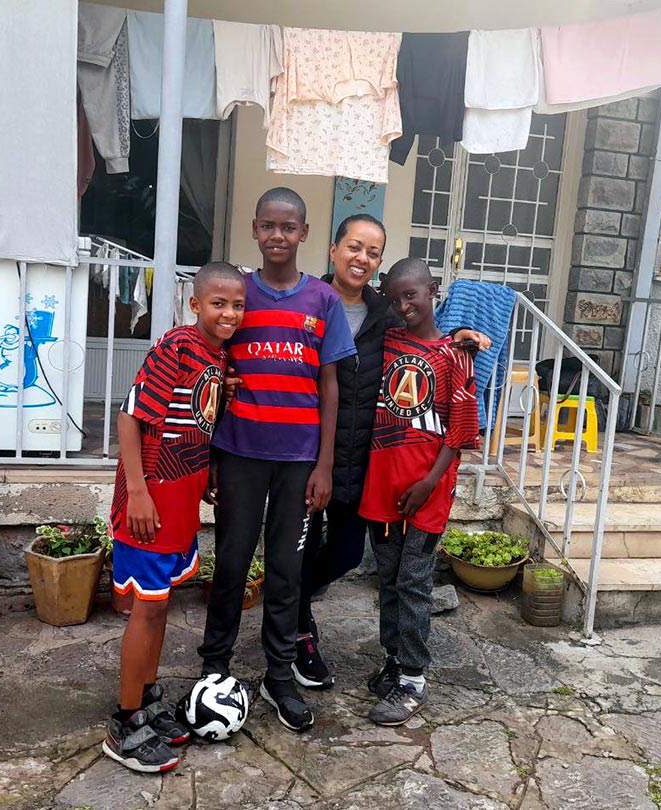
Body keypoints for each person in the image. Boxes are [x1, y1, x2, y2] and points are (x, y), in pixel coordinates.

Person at [293, 215, 491, 690]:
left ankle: (410, 670)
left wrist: (463, 338)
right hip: (313, 458)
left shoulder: (391, 320)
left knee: (363, 564)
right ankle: (305, 634)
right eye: (354, 247)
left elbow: (455, 411)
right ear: (333, 248)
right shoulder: (312, 302)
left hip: (383, 474)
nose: (361, 257)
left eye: (373, 251)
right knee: (319, 564)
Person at [198, 187, 357, 733]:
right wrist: (213, 456)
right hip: (240, 453)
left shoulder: (324, 301)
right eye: (268, 226)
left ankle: (279, 675)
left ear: (305, 234)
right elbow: (211, 362)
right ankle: (213, 669)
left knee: (287, 573)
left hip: (299, 461)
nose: (278, 236)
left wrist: (324, 465)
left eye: (288, 228)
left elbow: (331, 386)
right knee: (233, 567)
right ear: (254, 229)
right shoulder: (236, 295)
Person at [105, 262, 246, 773]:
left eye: (237, 305)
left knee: (159, 609)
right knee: (145, 611)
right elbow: (130, 417)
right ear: (195, 304)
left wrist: (204, 472)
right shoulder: (176, 347)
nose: (228, 313)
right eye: (218, 303)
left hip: (182, 502)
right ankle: (124, 724)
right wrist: (139, 493)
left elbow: (195, 421)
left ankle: (145, 699)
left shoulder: (217, 356)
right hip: (151, 507)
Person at [357, 257, 480, 726]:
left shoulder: (454, 356)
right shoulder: (386, 342)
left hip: (428, 492)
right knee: (387, 581)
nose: (403, 305)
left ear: (433, 291)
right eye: (395, 297)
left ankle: (413, 678)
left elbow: (462, 430)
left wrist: (430, 481)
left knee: (413, 582)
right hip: (382, 489)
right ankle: (393, 659)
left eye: (412, 295)